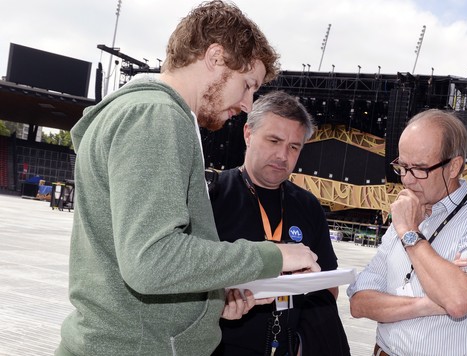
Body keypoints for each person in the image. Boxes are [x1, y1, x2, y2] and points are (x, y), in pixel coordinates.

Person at [56, 2, 321, 355]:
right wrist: (272, 256)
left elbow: (137, 263)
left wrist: (210, 300)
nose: (247, 103)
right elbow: (151, 261)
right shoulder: (156, 115)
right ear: (215, 57)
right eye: (247, 85)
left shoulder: (143, 113)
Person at [347, 109, 467, 356]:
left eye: (420, 169)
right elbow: (360, 303)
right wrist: (429, 304)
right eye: (402, 167)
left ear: (453, 167)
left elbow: (458, 300)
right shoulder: (407, 211)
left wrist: (410, 233)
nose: (408, 180)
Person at [208, 91, 350, 355]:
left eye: (294, 147)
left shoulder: (308, 205)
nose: (283, 155)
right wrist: (219, 299)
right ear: (248, 134)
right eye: (274, 140)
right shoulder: (212, 196)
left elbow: (328, 286)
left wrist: (302, 341)